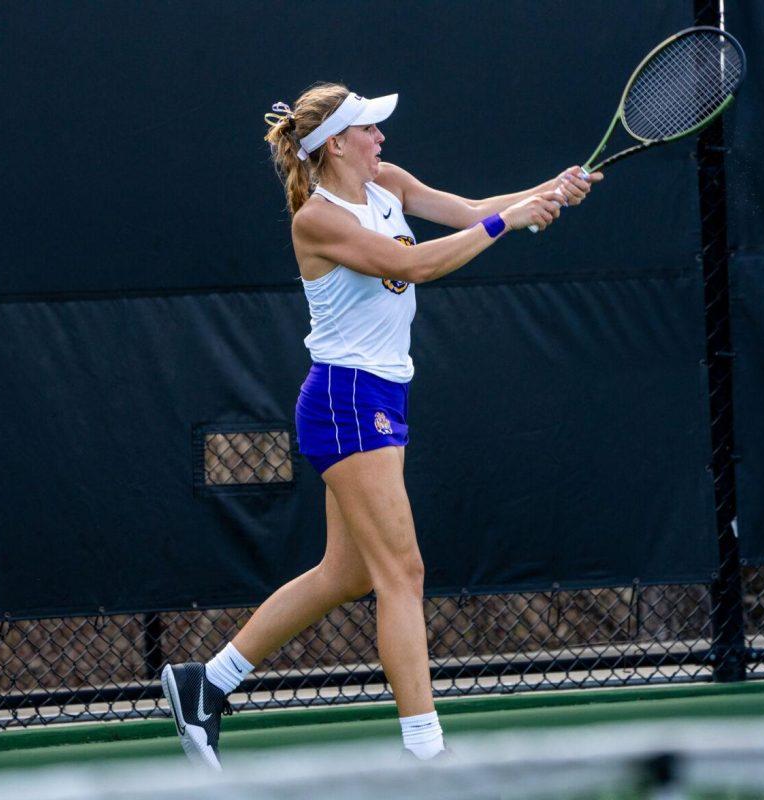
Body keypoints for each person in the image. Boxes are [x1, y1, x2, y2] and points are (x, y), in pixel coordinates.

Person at [161, 82, 601, 770]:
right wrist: (509, 224)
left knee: (347, 573)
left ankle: (206, 684)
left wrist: (551, 188)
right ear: (335, 143)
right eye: (368, 129)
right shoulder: (317, 220)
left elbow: (469, 211)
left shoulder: (386, 181)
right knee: (404, 571)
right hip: (344, 398)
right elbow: (411, 262)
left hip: (381, 396)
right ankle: (426, 752)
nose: (381, 138)